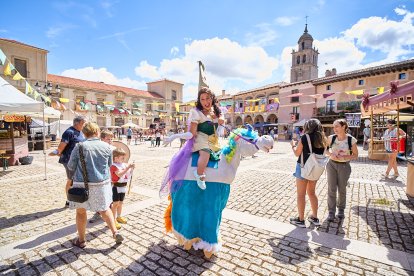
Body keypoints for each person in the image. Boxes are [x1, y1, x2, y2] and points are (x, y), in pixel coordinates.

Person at [67, 122, 123, 248]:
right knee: (104, 209)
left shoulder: (79, 146)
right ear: (97, 132)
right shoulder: (107, 147)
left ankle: (81, 240)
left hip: (82, 184)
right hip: (101, 184)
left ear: (84, 133)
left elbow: (71, 166)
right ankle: (115, 233)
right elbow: (109, 165)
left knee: (81, 212)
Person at [290, 119, 327, 227]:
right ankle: (315, 217)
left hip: (303, 168)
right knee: (312, 193)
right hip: (315, 169)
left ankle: (301, 220)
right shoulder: (323, 139)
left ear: (307, 127)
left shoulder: (305, 137)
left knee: (301, 195)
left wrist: (293, 145)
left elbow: (297, 153)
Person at [190, 87, 224, 190]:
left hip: (213, 139)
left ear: (212, 98)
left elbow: (221, 121)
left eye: (208, 98)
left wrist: (215, 117)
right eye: (202, 99)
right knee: (206, 152)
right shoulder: (196, 112)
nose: (206, 101)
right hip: (201, 137)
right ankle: (199, 174)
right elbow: (193, 132)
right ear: (199, 101)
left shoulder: (218, 111)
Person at [49, 116, 86, 207]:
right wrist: (57, 152)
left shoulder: (80, 132)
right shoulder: (69, 132)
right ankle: (69, 200)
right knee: (71, 180)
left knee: (75, 180)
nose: (84, 125)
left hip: (77, 160)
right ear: (77, 123)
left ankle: (75, 198)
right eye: (83, 123)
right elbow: (61, 147)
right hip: (69, 160)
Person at [326, 119, 358, 222]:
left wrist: (345, 156)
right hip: (331, 165)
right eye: (333, 127)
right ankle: (331, 212)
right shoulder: (331, 138)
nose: (334, 129)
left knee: (342, 189)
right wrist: (331, 154)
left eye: (337, 126)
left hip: (344, 166)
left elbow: (356, 155)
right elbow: (324, 150)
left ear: (343, 127)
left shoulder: (351, 140)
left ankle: (341, 210)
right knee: (331, 189)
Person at [89, 130, 115, 224]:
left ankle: (111, 214)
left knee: (110, 195)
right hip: (99, 176)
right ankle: (98, 213)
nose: (110, 140)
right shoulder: (96, 148)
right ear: (102, 138)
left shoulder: (113, 148)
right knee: (100, 196)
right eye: (108, 139)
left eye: (111, 139)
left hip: (111, 176)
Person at [110, 148, 135, 229]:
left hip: (123, 186)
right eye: (122, 158)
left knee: (120, 203)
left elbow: (128, 173)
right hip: (116, 186)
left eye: (124, 158)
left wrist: (132, 168)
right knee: (115, 204)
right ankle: (113, 220)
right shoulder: (113, 166)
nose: (124, 159)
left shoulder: (123, 164)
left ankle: (119, 217)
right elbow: (119, 174)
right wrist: (128, 168)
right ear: (116, 158)